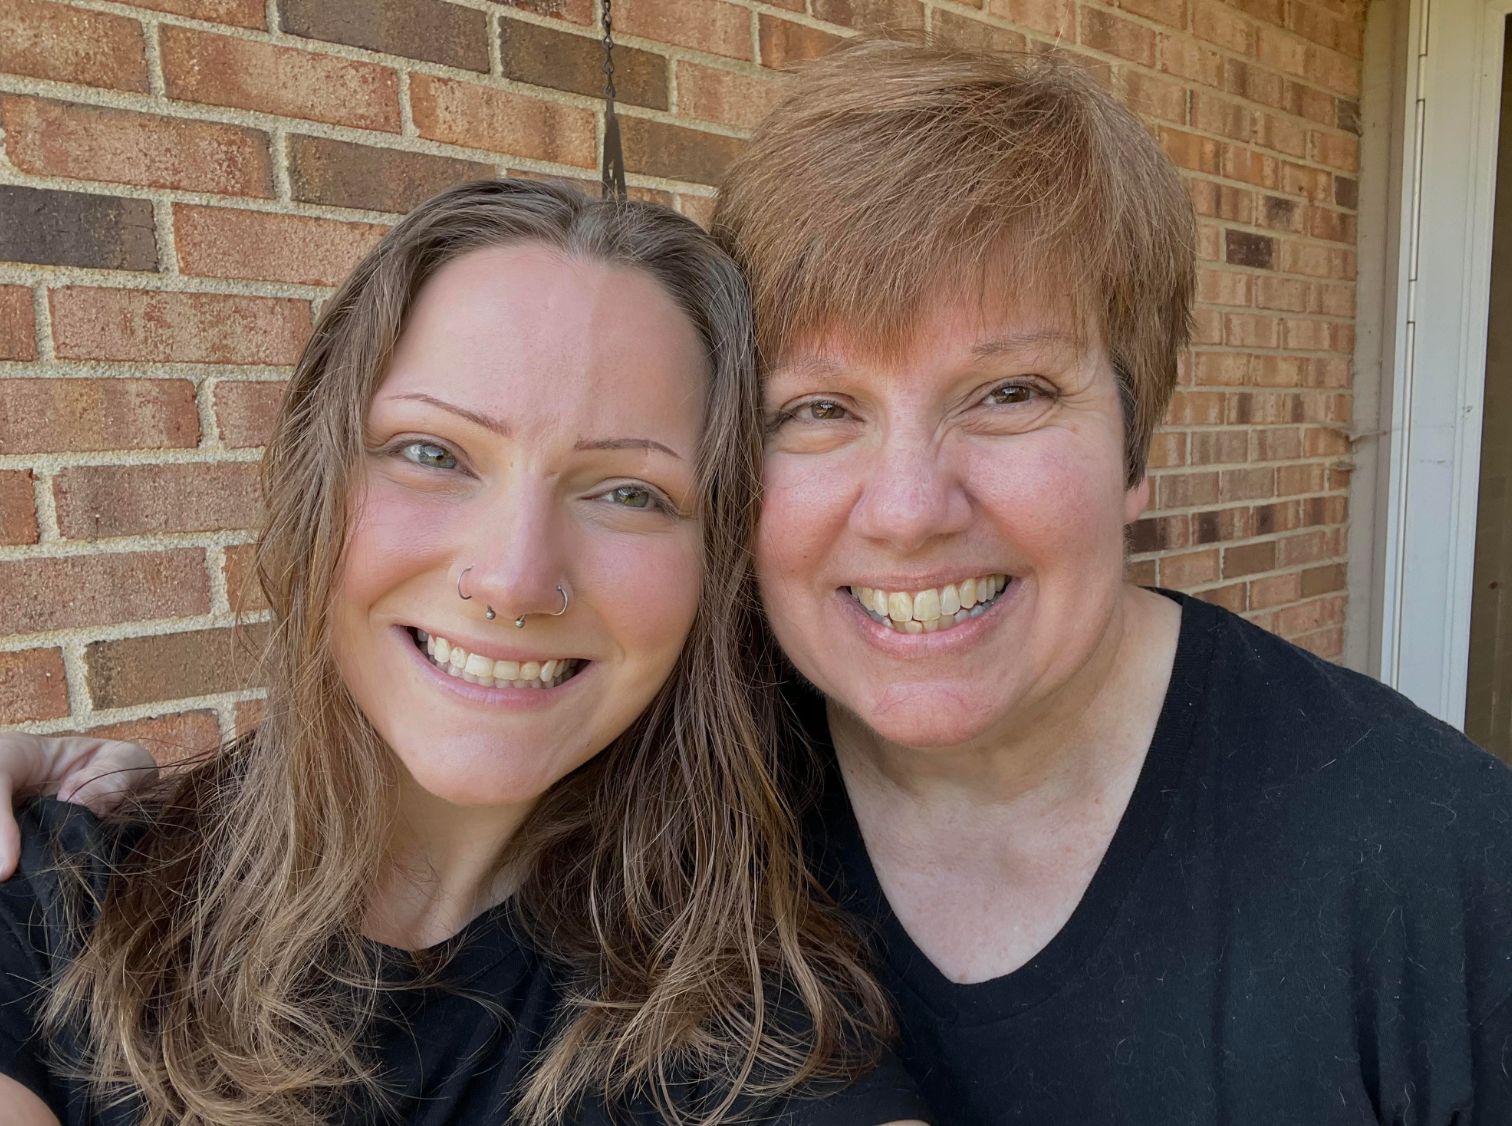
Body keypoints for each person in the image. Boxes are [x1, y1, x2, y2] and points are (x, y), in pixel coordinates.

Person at [9, 39, 1512, 1125]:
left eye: (1011, 394)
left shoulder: (1442, 873)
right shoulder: (668, 778)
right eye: (821, 409)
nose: (909, 511)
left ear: (1138, 444)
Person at [0, 179, 929, 1126]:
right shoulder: (51, 908)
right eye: (433, 454)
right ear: (319, 478)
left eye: (630, 492)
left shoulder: (761, 1033)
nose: (515, 577)